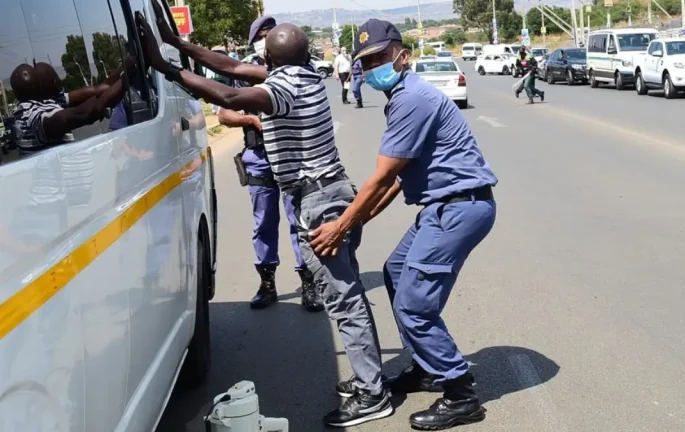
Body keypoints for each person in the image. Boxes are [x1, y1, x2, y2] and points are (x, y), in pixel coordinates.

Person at [137, 6, 390, 427]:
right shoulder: (305, 73)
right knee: (347, 297)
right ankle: (370, 380)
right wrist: (178, 43)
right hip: (331, 193)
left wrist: (167, 67)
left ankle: (373, 393)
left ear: (270, 58)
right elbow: (233, 67)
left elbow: (229, 95)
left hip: (319, 202)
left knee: (345, 302)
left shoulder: (282, 87)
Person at [309, 19, 498, 431]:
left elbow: (382, 177)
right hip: (444, 207)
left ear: (402, 56)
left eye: (380, 57)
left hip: (459, 209)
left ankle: (462, 395)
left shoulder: (412, 98)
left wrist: (341, 225)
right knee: (396, 271)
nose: (372, 66)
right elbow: (397, 179)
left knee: (415, 306)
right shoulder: (401, 97)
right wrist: (358, 220)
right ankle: (426, 368)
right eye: (366, 61)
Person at [219, 15, 323, 311]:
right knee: (263, 222)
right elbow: (224, 114)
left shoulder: (297, 67)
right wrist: (251, 120)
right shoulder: (244, 70)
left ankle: (309, 283)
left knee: (300, 221)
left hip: (292, 156)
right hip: (260, 157)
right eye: (263, 36)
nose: (267, 40)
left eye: (271, 34)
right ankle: (267, 283)